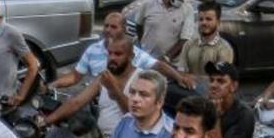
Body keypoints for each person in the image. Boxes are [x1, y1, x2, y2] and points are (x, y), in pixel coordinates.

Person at [49, 11, 195, 91]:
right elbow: (75, 77)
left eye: (113, 27)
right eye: (106, 26)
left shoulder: (133, 52)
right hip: (95, 100)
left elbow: (158, 65)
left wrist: (179, 78)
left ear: (123, 29)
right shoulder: (93, 50)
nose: (107, 30)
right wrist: (52, 85)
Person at [40, 35, 139, 138]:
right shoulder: (105, 77)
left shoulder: (141, 79)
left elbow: (135, 116)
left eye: (118, 54)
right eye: (110, 53)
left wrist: (114, 89)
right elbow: (76, 103)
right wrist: (45, 122)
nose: (112, 58)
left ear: (131, 56)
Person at [123, 0, 196, 63]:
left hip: (170, 63)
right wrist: (144, 46)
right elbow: (139, 25)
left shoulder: (187, 9)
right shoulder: (148, 2)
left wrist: (166, 58)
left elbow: (184, 39)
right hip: (145, 59)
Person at [206, 61, 256, 138]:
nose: (213, 85)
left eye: (221, 81)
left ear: (233, 86)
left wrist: (215, 117)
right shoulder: (205, 105)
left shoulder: (244, 114)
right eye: (211, 80)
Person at [178, 1, 235, 79]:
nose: (203, 23)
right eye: (201, 19)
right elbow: (180, 72)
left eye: (208, 19)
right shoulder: (189, 44)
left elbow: (218, 78)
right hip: (188, 90)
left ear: (218, 22)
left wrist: (189, 77)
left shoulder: (224, 48)